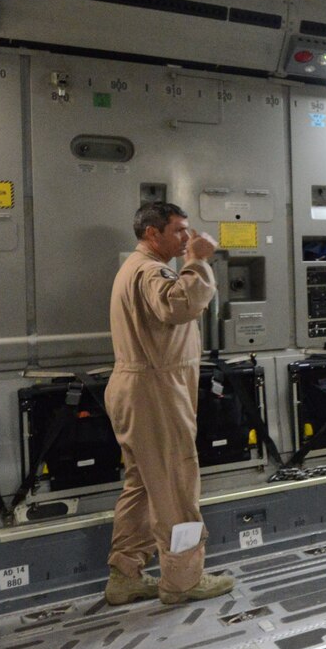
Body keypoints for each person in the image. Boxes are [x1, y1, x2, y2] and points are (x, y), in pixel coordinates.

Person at [104, 201, 234, 607]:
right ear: (151, 234)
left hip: (139, 387)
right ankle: (182, 580)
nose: (186, 238)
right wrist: (196, 262)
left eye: (187, 231)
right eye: (178, 231)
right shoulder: (149, 270)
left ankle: (125, 575)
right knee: (176, 485)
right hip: (155, 391)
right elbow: (179, 306)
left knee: (142, 486)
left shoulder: (137, 268)